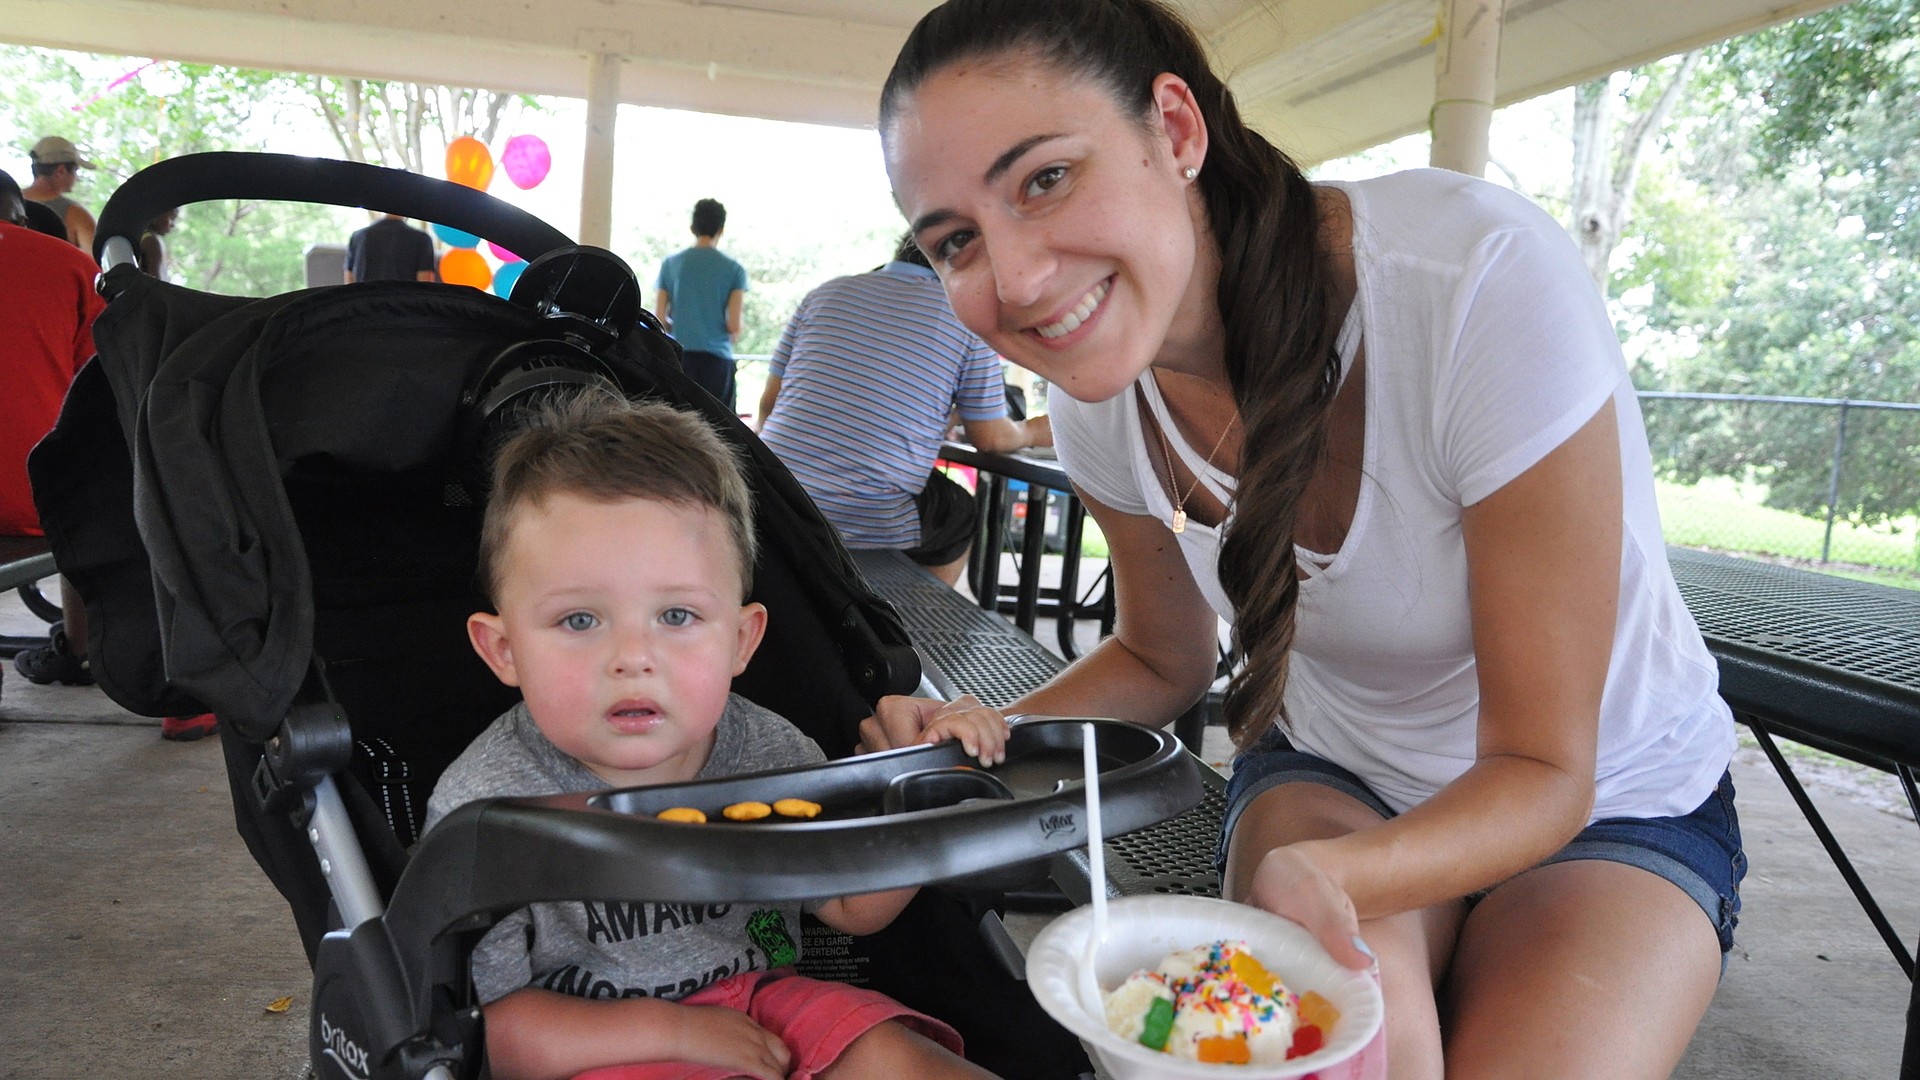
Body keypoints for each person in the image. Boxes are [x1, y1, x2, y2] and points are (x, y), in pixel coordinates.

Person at [864, 2, 1745, 1077]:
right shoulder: (1102, 395)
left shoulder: (1474, 279)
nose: (1016, 281)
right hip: (1336, 774)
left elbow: (1545, 769)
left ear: (1175, 129)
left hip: (1611, 798)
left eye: (1045, 178)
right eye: (954, 240)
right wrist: (973, 738)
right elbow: (1161, 658)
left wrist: (1344, 875)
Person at [423, 391, 1008, 1080]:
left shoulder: (769, 755)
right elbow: (488, 1033)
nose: (633, 657)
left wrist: (929, 781)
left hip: (762, 1003)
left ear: (740, 640)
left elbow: (854, 907)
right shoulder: (486, 810)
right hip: (589, 1040)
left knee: (897, 1057)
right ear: (504, 650)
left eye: (676, 615)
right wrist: (674, 1031)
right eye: (580, 620)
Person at [757, 232, 1050, 586]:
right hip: (864, 514)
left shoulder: (825, 293)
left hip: (771, 496)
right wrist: (1036, 430)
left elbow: (770, 404)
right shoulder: (967, 318)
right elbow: (990, 437)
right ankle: (909, 615)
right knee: (958, 511)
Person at [3, 167, 104, 697]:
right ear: (18, 215)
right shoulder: (73, 265)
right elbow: (100, 390)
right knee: (81, 477)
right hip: (38, 490)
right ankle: (81, 650)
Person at [653, 199, 748, 410]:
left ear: (693, 227)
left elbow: (659, 318)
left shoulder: (670, 264)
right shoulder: (734, 269)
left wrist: (679, 324)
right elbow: (733, 325)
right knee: (717, 426)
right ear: (721, 230)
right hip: (717, 363)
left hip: (679, 361)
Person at [22, 136, 98, 252]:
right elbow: (94, 260)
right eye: (75, 170)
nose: (77, 178)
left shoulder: (7, 203)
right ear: (61, 171)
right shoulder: (75, 215)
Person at [343, 213, 438, 283]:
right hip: (402, 303)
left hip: (365, 302)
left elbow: (349, 280)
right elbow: (424, 284)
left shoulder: (358, 236)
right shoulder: (422, 239)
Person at [138, 208, 179, 280]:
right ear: (158, 215)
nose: (173, 225)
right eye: (172, 218)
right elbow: (155, 279)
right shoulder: (152, 241)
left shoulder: (148, 237)